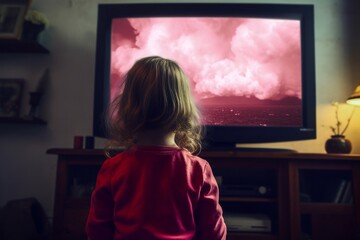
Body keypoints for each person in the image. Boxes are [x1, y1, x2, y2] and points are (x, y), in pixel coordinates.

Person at [86, 56, 227, 240]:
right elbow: (214, 234)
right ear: (183, 108)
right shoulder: (198, 169)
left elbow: (97, 231)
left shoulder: (113, 168)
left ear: (128, 107)